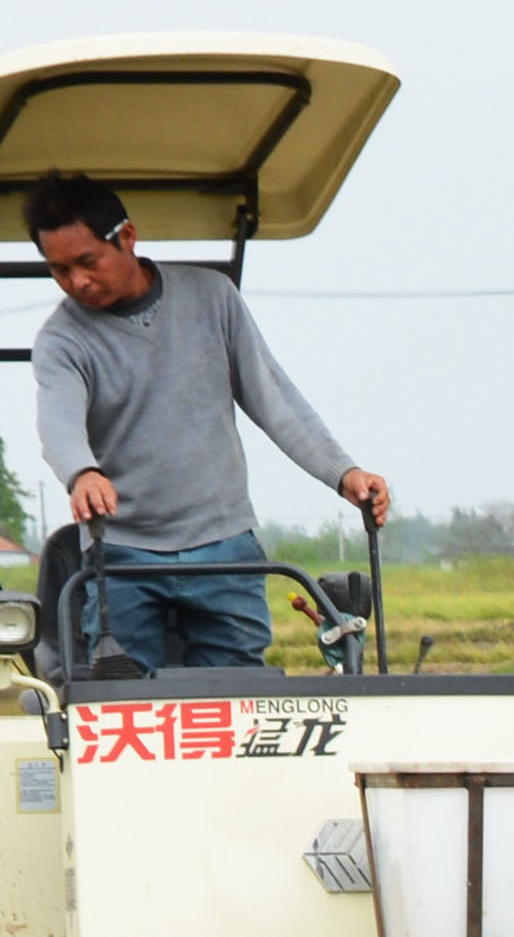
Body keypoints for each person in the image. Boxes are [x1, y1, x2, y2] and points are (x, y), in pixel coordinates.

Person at [20, 175, 392, 670]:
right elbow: (58, 419)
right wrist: (81, 472)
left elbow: (275, 399)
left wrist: (343, 473)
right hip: (124, 550)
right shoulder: (61, 341)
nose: (77, 282)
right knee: (123, 694)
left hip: (224, 542)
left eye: (87, 262)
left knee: (238, 691)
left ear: (126, 237)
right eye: (60, 270)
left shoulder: (212, 299)